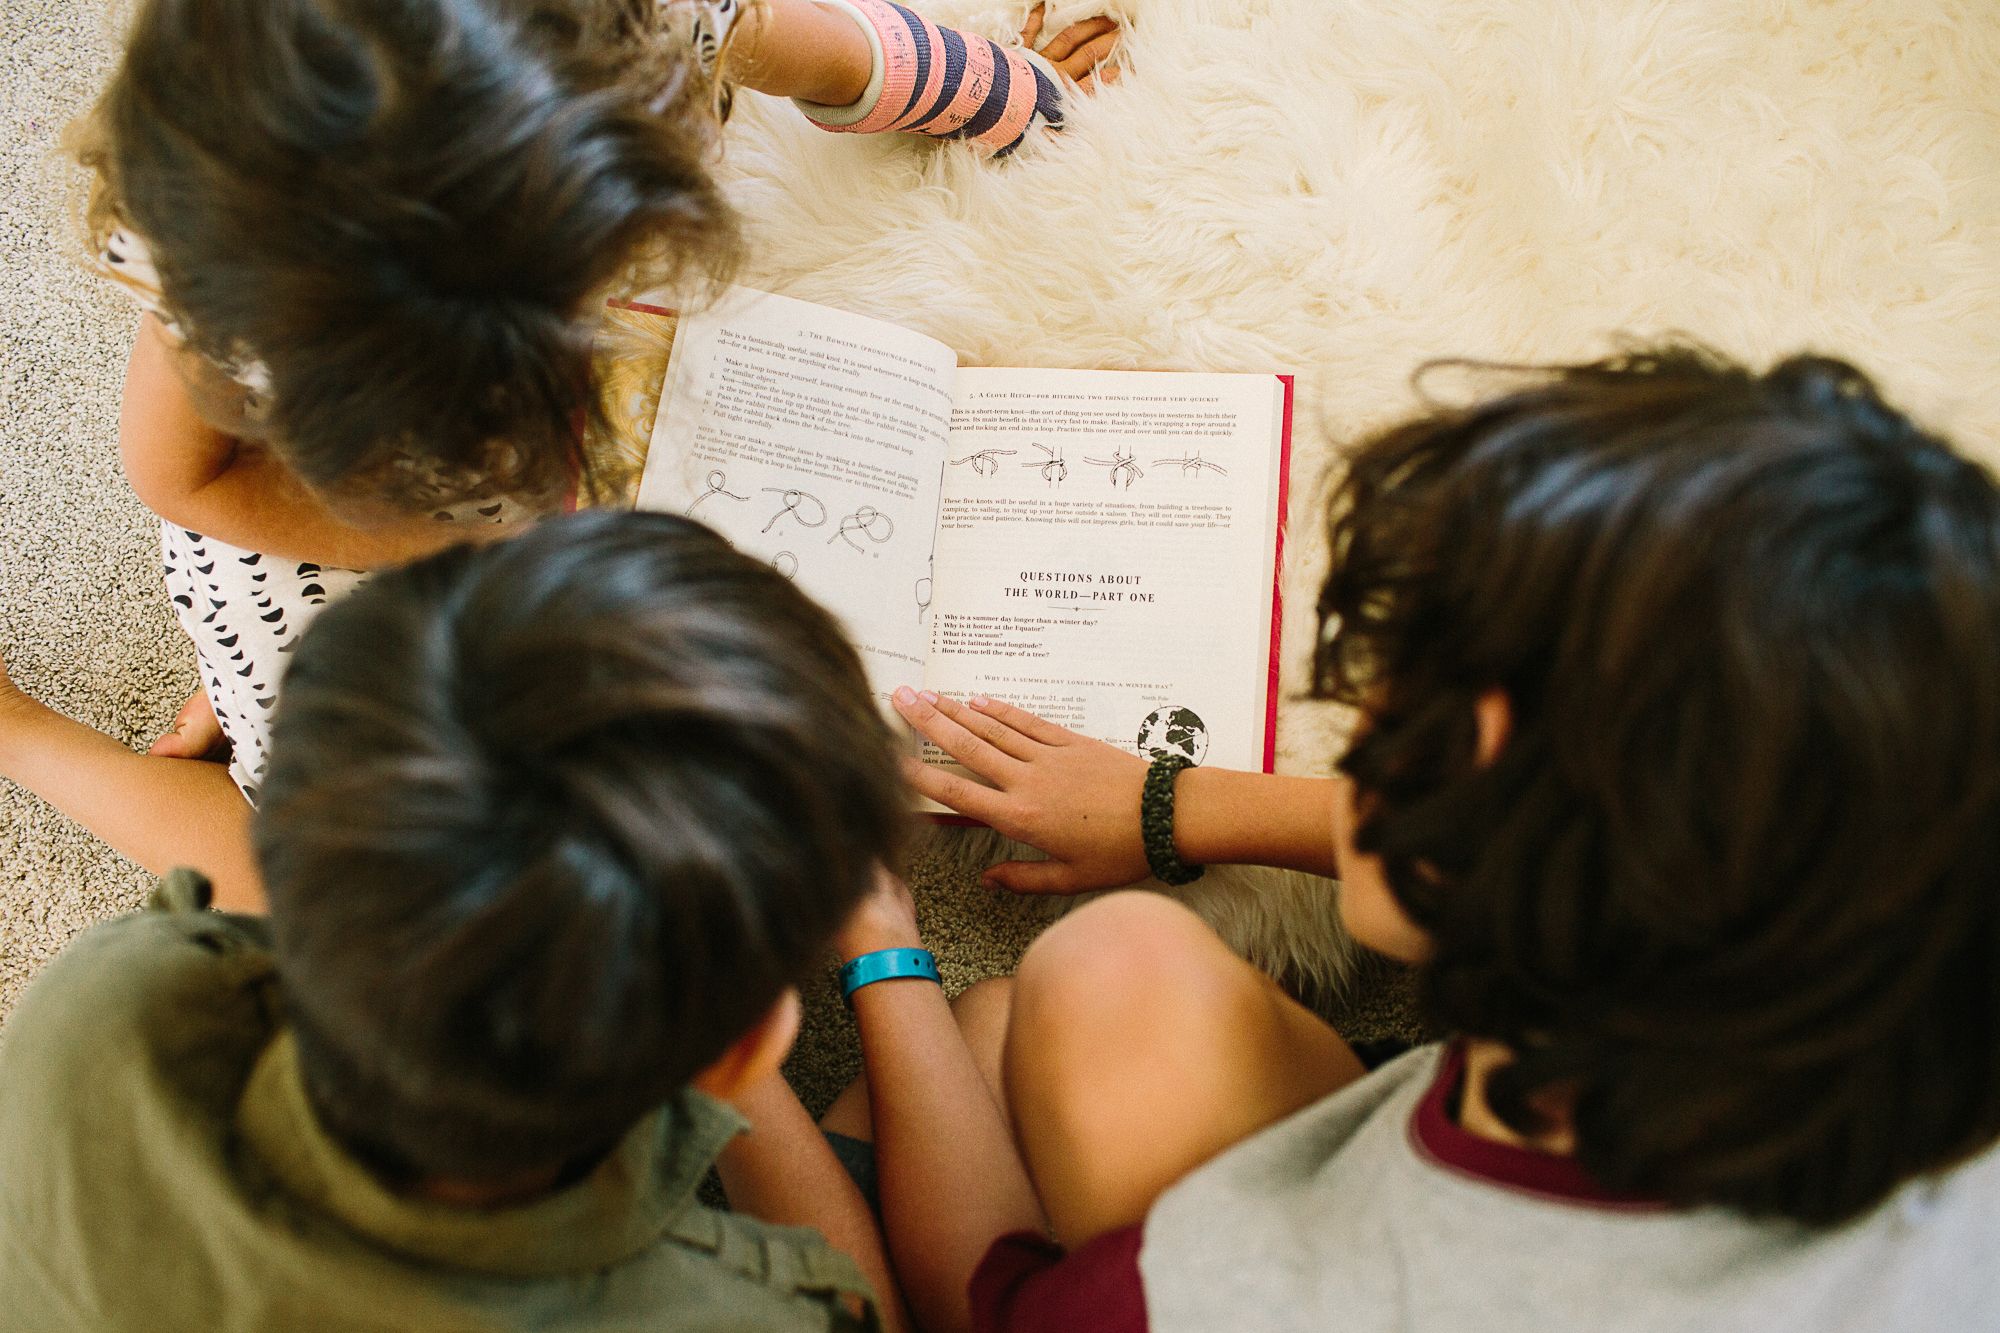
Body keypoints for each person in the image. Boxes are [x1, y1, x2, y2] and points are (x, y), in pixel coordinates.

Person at [831, 347, 2000, 1331]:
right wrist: (1168, 804)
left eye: (1399, 694)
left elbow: (985, 1301)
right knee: (1055, 995)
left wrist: (875, 937)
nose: (1359, 731)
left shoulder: (1202, 1303)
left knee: (929, 1067)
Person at [6, 0, 1117, 904]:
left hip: (526, 468)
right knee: (339, 871)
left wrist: (1016, 98)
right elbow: (185, 477)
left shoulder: (647, 25)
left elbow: (835, 54)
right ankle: (26, 732)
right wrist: (464, 531)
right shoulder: (216, 280)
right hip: (328, 518)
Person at [0, 510, 929, 1331]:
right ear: (738, 1049)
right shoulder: (734, 1315)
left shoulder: (102, 1005)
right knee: (957, 1046)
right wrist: (862, 964)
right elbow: (861, 1305)